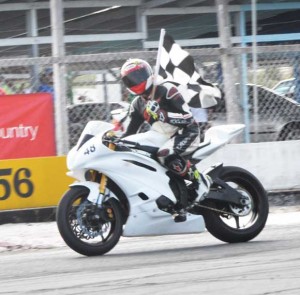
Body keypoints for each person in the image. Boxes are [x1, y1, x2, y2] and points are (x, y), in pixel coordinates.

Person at [120, 58, 212, 220]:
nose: (137, 81)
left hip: (187, 132)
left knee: (166, 154)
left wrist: (163, 114)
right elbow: (130, 131)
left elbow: (187, 118)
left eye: (139, 75)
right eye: (132, 79)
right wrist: (116, 139)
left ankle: (199, 182)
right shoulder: (137, 104)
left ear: (149, 73)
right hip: (164, 138)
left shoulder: (167, 90)